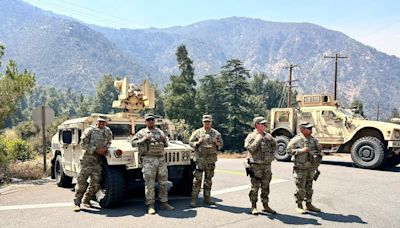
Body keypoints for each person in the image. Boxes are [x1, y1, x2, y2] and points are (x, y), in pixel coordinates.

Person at [131, 113, 174, 214]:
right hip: (148, 159)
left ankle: (164, 202)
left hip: (161, 159)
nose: (150, 121)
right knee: (149, 183)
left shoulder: (160, 132)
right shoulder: (142, 132)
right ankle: (150, 205)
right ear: (145, 122)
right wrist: (143, 139)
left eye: (152, 120)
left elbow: (166, 144)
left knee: (163, 182)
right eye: (148, 120)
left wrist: (164, 140)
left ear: (154, 121)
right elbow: (133, 143)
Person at [73, 117, 113, 212]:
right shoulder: (89, 130)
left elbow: (109, 141)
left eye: (103, 122)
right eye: (100, 122)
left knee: (95, 183)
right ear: (97, 122)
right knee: (81, 182)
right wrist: (96, 149)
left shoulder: (107, 131)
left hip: (98, 161)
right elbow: (82, 144)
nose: (102, 123)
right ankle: (77, 203)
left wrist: (105, 149)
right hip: (87, 160)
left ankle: (86, 200)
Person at [287, 121, 323, 214]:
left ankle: (309, 204)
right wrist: (301, 151)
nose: (311, 129)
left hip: (311, 168)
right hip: (300, 167)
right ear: (302, 129)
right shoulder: (296, 140)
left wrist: (316, 163)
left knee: (309, 187)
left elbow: (319, 153)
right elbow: (288, 151)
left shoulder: (313, 140)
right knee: (300, 188)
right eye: (308, 128)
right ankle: (299, 205)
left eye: (311, 128)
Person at [244, 117, 277, 215]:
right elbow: (249, 148)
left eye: (264, 124)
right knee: (255, 187)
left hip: (267, 165)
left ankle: (266, 205)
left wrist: (271, 141)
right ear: (257, 124)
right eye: (262, 124)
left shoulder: (268, 135)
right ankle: (253, 206)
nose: (264, 125)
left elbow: (275, 147)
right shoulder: (251, 136)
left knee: (266, 186)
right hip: (256, 166)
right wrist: (257, 140)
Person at [189, 115, 223, 207]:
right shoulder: (197, 132)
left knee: (208, 180)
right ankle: (194, 200)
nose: (207, 123)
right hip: (200, 159)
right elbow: (190, 143)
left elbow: (221, 145)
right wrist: (198, 142)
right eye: (205, 121)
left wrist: (217, 143)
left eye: (209, 121)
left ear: (211, 122)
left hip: (210, 160)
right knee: (197, 180)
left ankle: (207, 198)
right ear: (202, 122)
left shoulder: (216, 133)